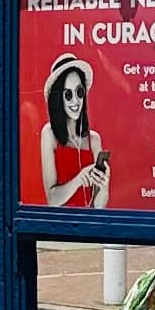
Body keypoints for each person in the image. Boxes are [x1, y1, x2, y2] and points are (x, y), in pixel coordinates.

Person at [39, 56, 110, 210]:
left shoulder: (94, 140)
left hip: (88, 229)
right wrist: (78, 180)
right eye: (68, 94)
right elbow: (52, 199)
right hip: (61, 228)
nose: (75, 101)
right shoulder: (49, 134)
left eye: (79, 92)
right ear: (59, 98)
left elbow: (98, 207)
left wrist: (104, 187)